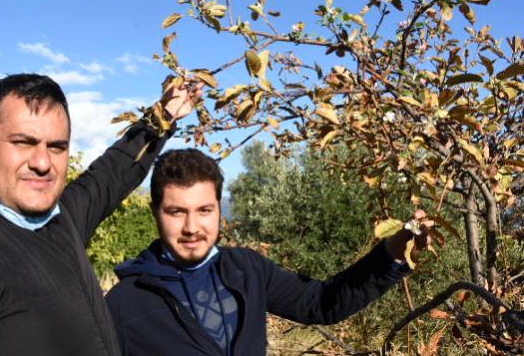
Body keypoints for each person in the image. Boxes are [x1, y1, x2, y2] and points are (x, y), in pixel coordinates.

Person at [0, 73, 200, 355]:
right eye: (23, 142)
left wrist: (163, 116)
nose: (43, 163)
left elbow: (112, 173)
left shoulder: (60, 218)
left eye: (57, 147)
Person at [106, 148, 428, 356]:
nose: (192, 227)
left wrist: (390, 255)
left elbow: (322, 303)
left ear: (219, 209)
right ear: (155, 212)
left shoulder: (245, 269)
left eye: (204, 210)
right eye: (177, 212)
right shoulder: (123, 303)